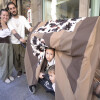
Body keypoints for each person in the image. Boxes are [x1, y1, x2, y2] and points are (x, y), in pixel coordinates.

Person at [6, 2, 33, 77]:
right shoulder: (9, 21)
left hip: (23, 41)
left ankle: (24, 69)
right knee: (16, 58)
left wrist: (32, 30)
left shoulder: (22, 18)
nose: (13, 10)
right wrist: (20, 38)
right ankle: (19, 70)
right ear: (9, 11)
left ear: (16, 8)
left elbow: (28, 26)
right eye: (10, 9)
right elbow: (13, 31)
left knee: (23, 56)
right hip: (14, 42)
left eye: (13, 8)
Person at [0, 9, 14, 83]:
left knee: (10, 60)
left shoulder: (8, 23)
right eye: (4, 15)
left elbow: (9, 34)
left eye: (7, 15)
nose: (5, 17)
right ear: (0, 15)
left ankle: (9, 74)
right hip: (1, 45)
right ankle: (4, 76)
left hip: (9, 43)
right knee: (3, 62)